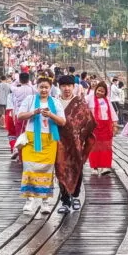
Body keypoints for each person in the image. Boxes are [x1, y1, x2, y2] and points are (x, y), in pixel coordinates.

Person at [17, 75, 66, 214]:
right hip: (31, 139)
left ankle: (45, 201)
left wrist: (50, 115)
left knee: (47, 170)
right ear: (36, 88)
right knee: (29, 168)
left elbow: (63, 122)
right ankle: (30, 200)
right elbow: (20, 116)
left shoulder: (56, 103)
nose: (44, 90)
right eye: (41, 87)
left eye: (46, 87)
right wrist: (34, 112)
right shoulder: (30, 99)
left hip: (49, 140)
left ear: (50, 88)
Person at [55, 75, 95, 213]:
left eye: (69, 86)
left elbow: (89, 122)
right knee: (61, 169)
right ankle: (65, 200)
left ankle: (76, 195)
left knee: (77, 166)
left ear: (73, 87)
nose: (66, 89)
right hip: (59, 141)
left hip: (76, 141)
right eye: (63, 86)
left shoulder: (80, 103)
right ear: (59, 87)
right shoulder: (55, 103)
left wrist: (80, 135)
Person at [85, 81, 116, 175]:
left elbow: (112, 112)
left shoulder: (107, 100)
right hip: (94, 126)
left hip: (106, 126)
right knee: (94, 146)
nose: (100, 93)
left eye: (103, 91)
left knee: (106, 146)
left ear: (105, 92)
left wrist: (114, 125)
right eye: (98, 90)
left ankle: (105, 166)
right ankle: (94, 167)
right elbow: (82, 106)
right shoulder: (89, 98)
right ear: (96, 89)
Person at [0, 74, 16, 151]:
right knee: (7, 114)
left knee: (2, 113)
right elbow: (12, 93)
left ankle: (4, 124)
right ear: (5, 79)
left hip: (1, 101)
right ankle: (6, 124)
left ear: (1, 79)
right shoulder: (9, 85)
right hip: (8, 102)